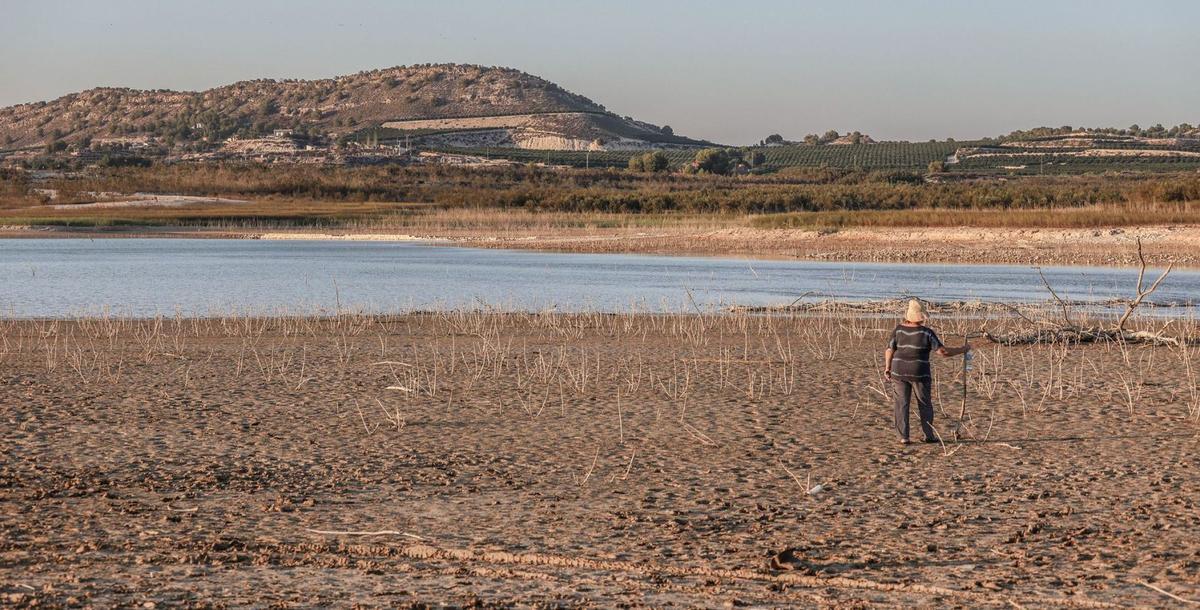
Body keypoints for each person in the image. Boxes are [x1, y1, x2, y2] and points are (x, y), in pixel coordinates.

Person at [883, 299, 971, 445]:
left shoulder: (898, 330)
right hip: (920, 373)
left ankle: (903, 437)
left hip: (899, 371)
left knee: (901, 404)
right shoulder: (927, 333)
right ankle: (928, 435)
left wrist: (887, 368)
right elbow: (943, 352)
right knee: (924, 404)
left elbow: (889, 349)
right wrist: (963, 349)